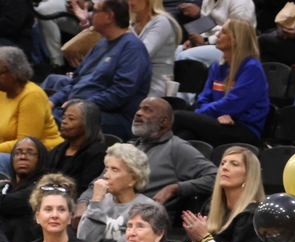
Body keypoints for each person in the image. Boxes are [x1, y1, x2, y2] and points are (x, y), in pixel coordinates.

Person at [75, 97, 219, 222]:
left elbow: (216, 177)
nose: (138, 113)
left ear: (164, 121)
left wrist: (175, 188)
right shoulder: (129, 146)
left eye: (147, 110)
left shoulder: (178, 148)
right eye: (139, 109)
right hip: (109, 215)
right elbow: (101, 181)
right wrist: (83, 203)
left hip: (145, 223)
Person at [44, 0, 153, 140]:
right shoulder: (100, 45)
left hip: (114, 117)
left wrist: (83, 106)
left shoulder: (132, 48)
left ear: (109, 17)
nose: (90, 15)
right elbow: (75, 82)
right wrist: (52, 100)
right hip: (79, 109)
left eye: (95, 11)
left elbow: (121, 93)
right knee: (38, 112)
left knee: (50, 122)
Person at [172, 19, 270, 148]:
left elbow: (233, 105)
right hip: (218, 122)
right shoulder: (217, 67)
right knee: (185, 136)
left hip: (243, 128)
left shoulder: (252, 68)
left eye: (223, 32)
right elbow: (203, 98)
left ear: (236, 39)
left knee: (178, 116)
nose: (217, 35)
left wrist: (202, 114)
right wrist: (210, 115)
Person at [76, 143, 161, 242]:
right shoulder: (99, 202)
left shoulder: (148, 208)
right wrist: (96, 202)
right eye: (106, 168)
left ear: (133, 179)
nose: (106, 175)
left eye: (114, 170)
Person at [0, 48, 63, 178]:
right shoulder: (2, 92)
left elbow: (24, 143)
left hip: (37, 155)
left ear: (15, 72)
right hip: (9, 152)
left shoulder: (32, 96)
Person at [47, 99, 108, 201]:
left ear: (87, 124)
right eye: (63, 117)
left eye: (71, 119)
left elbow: (85, 189)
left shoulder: (96, 153)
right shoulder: (60, 148)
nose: (64, 122)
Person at [0, 137, 49, 242]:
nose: (22, 157)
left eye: (30, 153)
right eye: (17, 153)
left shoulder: (46, 185)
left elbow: (9, 204)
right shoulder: (9, 186)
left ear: (41, 158)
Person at [175, 0, 256, 66]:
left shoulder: (242, 2)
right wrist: (194, 41)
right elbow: (205, 25)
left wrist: (206, 40)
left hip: (232, 48)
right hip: (210, 43)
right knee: (174, 52)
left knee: (185, 57)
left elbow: (239, 34)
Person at [130, 0, 183, 96]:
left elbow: (140, 55)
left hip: (154, 87)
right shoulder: (132, 23)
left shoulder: (161, 21)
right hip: (132, 83)